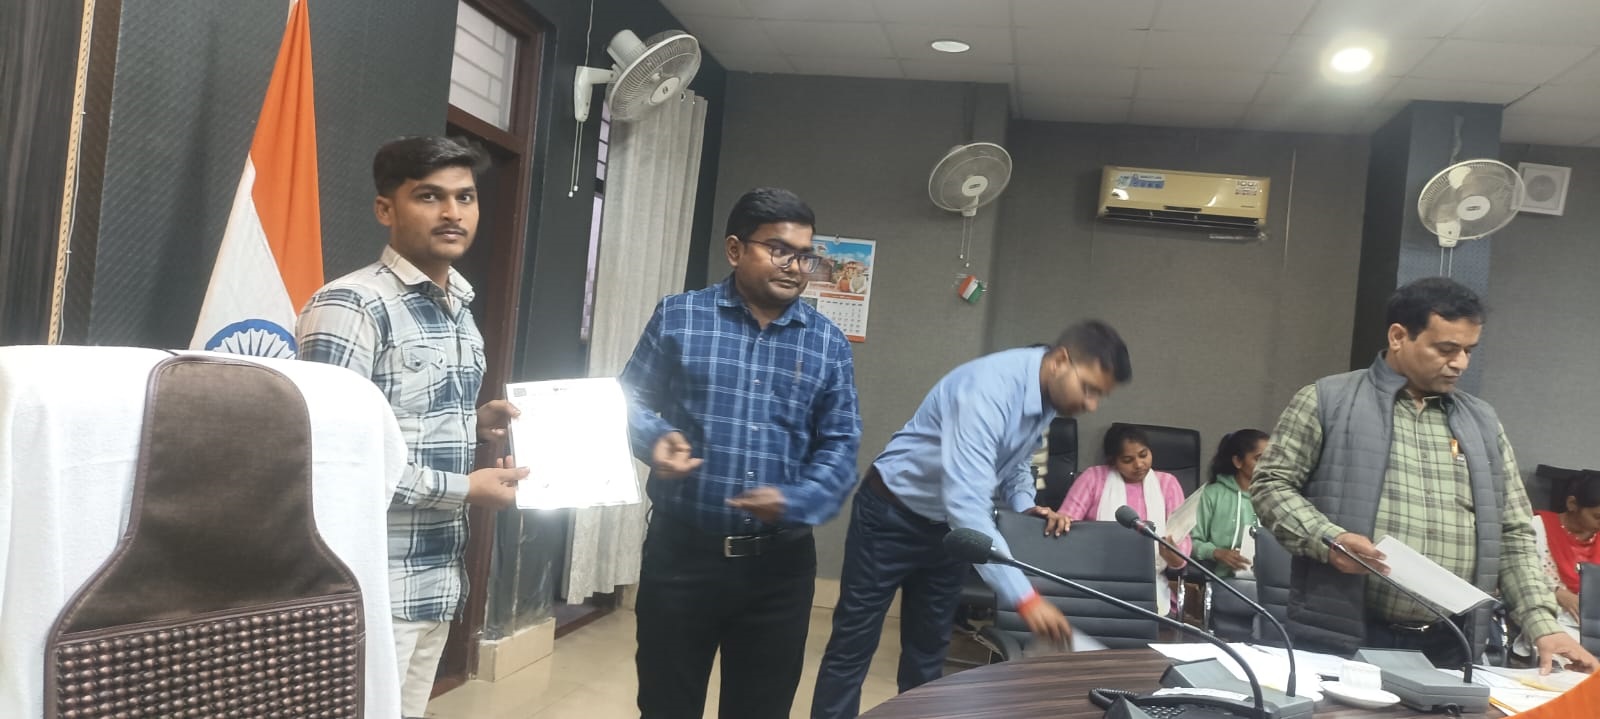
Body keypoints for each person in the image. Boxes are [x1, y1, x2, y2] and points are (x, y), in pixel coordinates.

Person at [1251, 276, 1597, 673]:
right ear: (1399, 336)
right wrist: (1328, 539)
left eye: (1468, 350)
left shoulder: (1482, 422)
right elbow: (1271, 485)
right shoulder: (1327, 400)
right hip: (1344, 632)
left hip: (1450, 641)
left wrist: (1543, 625)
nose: (1460, 363)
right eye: (1446, 349)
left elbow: (1513, 533)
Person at [295, 136, 529, 718]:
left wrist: (474, 424)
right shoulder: (353, 305)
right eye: (429, 196)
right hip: (371, 585)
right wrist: (465, 489)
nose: (453, 213)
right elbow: (331, 460)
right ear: (386, 208)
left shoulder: (459, 308)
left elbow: (399, 423)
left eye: (465, 197)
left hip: (437, 581)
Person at [620, 187, 861, 719]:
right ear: (735, 249)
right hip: (682, 556)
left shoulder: (827, 343)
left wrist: (800, 499)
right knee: (665, 706)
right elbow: (629, 399)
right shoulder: (680, 317)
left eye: (805, 255)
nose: (794, 267)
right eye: (779, 250)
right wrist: (654, 437)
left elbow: (841, 441)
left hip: (780, 568)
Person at [811, 322, 1131, 719]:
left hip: (947, 533)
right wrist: (1026, 599)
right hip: (891, 515)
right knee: (852, 648)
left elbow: (1016, 461)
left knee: (928, 656)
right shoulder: (988, 390)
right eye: (1089, 389)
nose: (1092, 405)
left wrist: (1025, 505)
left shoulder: (1047, 394)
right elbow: (966, 507)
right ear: (1061, 361)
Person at [1059, 423, 1190, 612]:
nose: (1139, 464)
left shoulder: (1168, 484)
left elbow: (1181, 538)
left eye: (1143, 455)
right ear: (1113, 461)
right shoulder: (1093, 478)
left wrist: (1176, 558)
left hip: (1150, 583)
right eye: (1128, 460)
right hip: (1094, 579)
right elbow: (1066, 523)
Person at [1190, 429, 1271, 579]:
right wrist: (1216, 553)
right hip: (1220, 580)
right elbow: (1190, 542)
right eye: (1260, 458)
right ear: (1238, 461)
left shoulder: (1274, 497)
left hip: (1266, 581)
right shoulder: (1212, 494)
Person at [1531, 472, 1600, 638]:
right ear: (1572, 504)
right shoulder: (1536, 528)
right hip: (1548, 619)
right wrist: (1555, 592)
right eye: (1598, 517)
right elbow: (1517, 573)